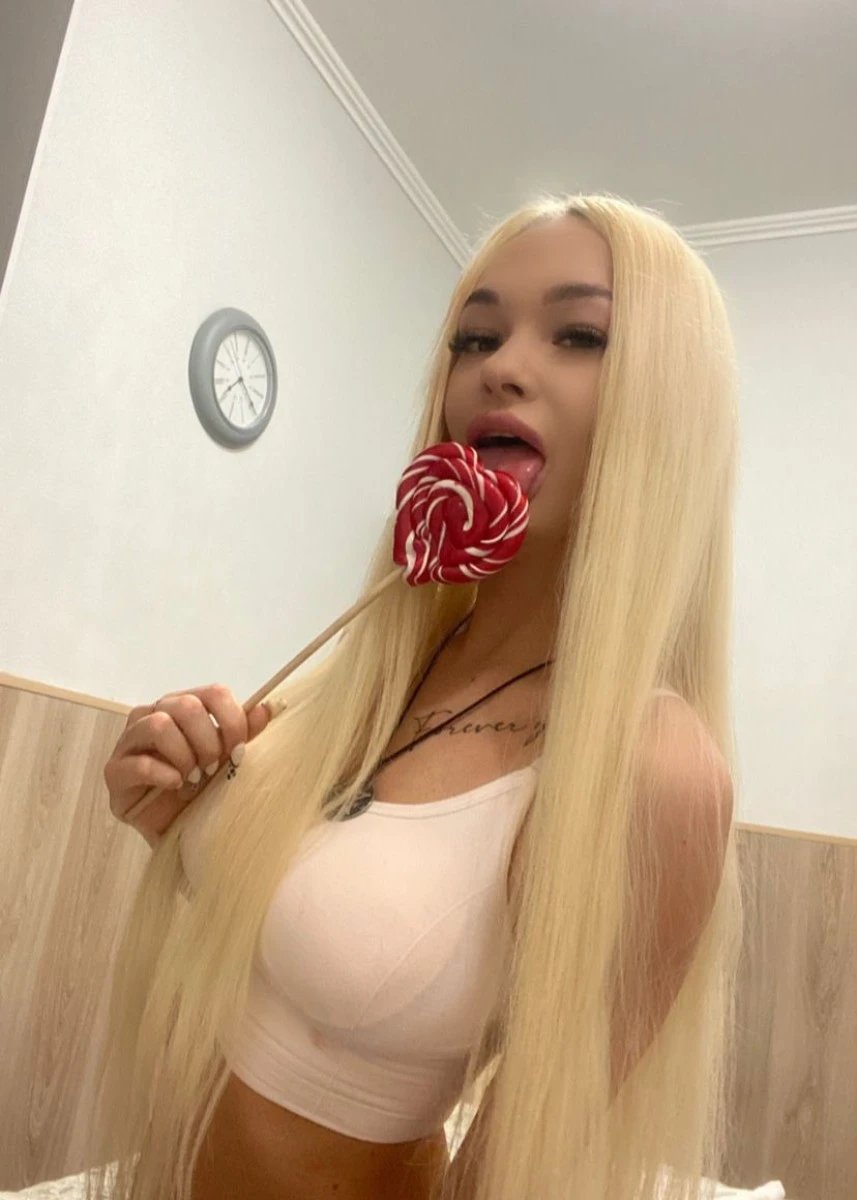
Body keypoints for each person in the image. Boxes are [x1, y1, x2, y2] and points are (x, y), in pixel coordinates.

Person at [92, 192, 742, 1200]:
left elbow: (520, 1157)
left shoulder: (649, 765)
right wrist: (167, 815)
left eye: (578, 335)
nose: (500, 367)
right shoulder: (373, 669)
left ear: (671, 407)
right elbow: (281, 920)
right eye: (474, 336)